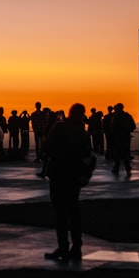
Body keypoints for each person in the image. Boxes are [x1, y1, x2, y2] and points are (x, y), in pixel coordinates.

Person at [40, 103, 93, 260]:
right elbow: (87, 153)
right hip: (74, 176)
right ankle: (77, 248)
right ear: (83, 115)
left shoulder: (60, 127)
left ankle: (63, 247)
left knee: (60, 213)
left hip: (58, 173)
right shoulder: (83, 133)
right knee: (74, 210)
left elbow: (46, 147)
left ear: (69, 113)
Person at [109, 102, 136, 177]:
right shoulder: (128, 116)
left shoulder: (116, 117)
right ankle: (127, 169)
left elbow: (112, 127)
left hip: (118, 138)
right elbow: (133, 126)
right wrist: (127, 131)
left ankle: (116, 168)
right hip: (126, 137)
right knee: (126, 153)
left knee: (117, 153)